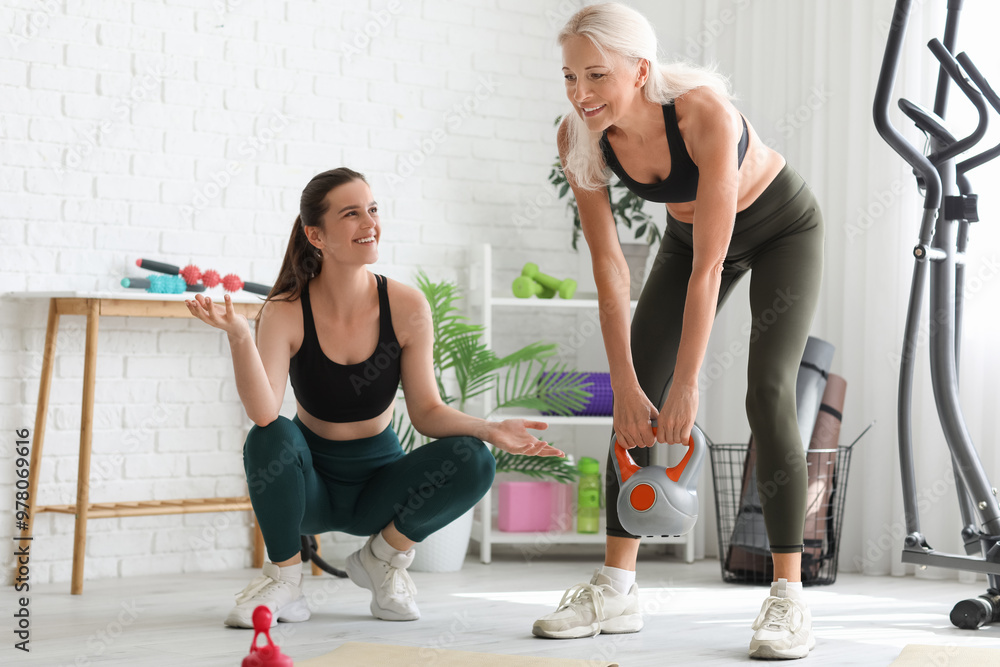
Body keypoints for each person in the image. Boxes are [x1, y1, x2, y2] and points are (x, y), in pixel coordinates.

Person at [531, 4, 824, 660]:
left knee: (768, 390)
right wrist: (630, 387)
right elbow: (610, 272)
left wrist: (688, 384)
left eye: (596, 76)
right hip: (687, 239)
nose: (581, 94)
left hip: (781, 229)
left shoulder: (702, 113)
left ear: (640, 71)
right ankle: (617, 586)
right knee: (633, 386)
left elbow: (711, 269)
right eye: (570, 77)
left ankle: (788, 595)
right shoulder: (577, 135)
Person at [187, 167, 561, 628]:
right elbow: (264, 411)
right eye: (351, 214)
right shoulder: (285, 310)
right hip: (311, 493)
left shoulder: (406, 306)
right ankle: (284, 579)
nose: (370, 222)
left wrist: (489, 428)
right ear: (315, 235)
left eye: (373, 209)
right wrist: (241, 337)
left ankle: (382, 558)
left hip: (378, 489)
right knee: (271, 435)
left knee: (475, 458)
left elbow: (426, 412)